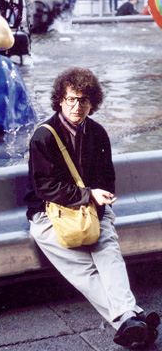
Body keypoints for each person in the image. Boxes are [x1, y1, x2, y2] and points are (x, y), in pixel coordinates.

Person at [25, 67, 160, 348]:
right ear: (60, 100)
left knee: (108, 252)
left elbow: (107, 179)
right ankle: (130, 316)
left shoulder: (97, 133)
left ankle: (130, 321)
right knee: (84, 269)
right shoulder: (44, 137)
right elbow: (45, 187)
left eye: (84, 100)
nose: (77, 106)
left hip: (91, 209)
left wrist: (97, 212)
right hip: (49, 214)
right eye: (72, 99)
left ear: (92, 103)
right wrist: (88, 196)